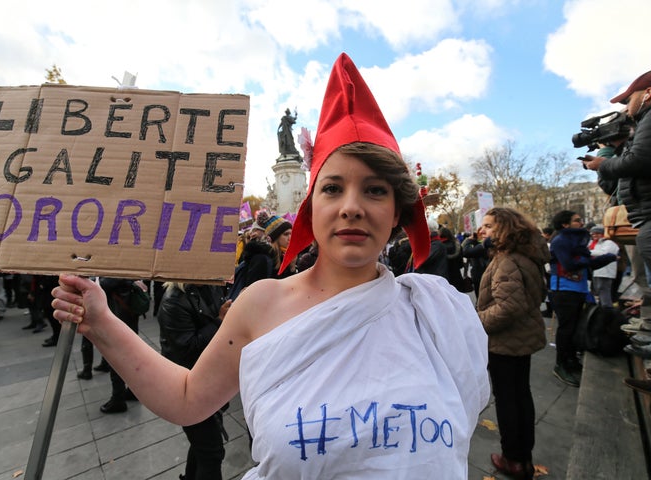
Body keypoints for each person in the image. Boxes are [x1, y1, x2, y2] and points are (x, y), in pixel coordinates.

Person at [51, 52, 489, 478]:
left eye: (375, 190)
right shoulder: (260, 304)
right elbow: (187, 399)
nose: (352, 207)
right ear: (309, 208)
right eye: (333, 188)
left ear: (397, 213)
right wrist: (102, 321)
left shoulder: (434, 312)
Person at [476, 207, 550, 480]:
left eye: (489, 226)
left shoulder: (507, 260)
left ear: (505, 228)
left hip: (506, 341)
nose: (482, 231)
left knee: (508, 399)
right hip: (523, 338)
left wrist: (476, 322)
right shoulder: (526, 255)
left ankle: (513, 460)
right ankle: (523, 458)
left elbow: (509, 306)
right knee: (521, 395)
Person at [583, 69, 651, 324]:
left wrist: (604, 162)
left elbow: (639, 161)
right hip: (640, 217)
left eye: (627, 100)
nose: (626, 108)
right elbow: (614, 184)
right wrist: (609, 156)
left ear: (648, 93)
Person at [158, 282, 232, 480]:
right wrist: (220, 321)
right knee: (212, 453)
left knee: (203, 446)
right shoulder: (173, 301)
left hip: (210, 380)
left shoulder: (211, 287)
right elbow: (186, 349)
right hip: (187, 386)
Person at [548, 210, 616, 387]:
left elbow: (587, 263)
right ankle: (560, 365)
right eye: (577, 220)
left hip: (578, 289)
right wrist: (593, 259)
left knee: (575, 327)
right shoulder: (561, 240)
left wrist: (608, 258)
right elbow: (569, 265)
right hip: (563, 291)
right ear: (565, 224)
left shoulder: (577, 241)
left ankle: (571, 360)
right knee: (566, 328)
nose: (581, 222)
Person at [98, 277, 141, 414]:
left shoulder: (118, 263)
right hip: (127, 311)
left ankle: (118, 398)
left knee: (116, 357)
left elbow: (104, 283)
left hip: (120, 314)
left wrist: (95, 278)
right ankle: (134, 391)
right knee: (130, 355)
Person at [588, 224, 620, 308]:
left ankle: (607, 309)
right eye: (593, 234)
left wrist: (588, 252)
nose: (595, 235)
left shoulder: (609, 243)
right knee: (598, 291)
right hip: (596, 271)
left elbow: (604, 253)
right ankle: (602, 308)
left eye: (597, 233)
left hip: (606, 272)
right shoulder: (592, 243)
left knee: (604, 291)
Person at [462, 227, 490, 298]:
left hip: (481, 276)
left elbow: (466, 252)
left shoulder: (484, 246)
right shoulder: (482, 245)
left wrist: (470, 240)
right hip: (481, 275)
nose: (481, 233)